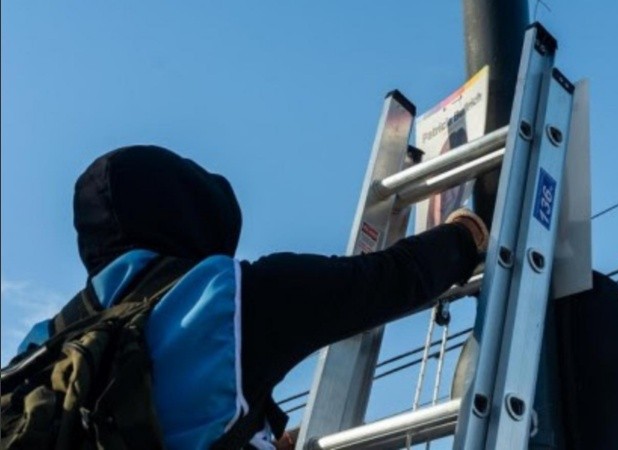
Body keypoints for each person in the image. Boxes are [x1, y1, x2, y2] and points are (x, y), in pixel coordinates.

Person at [14, 145, 488, 449]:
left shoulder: (42, 345)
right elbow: (391, 279)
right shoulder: (226, 297)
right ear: (193, 214)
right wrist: (468, 232)